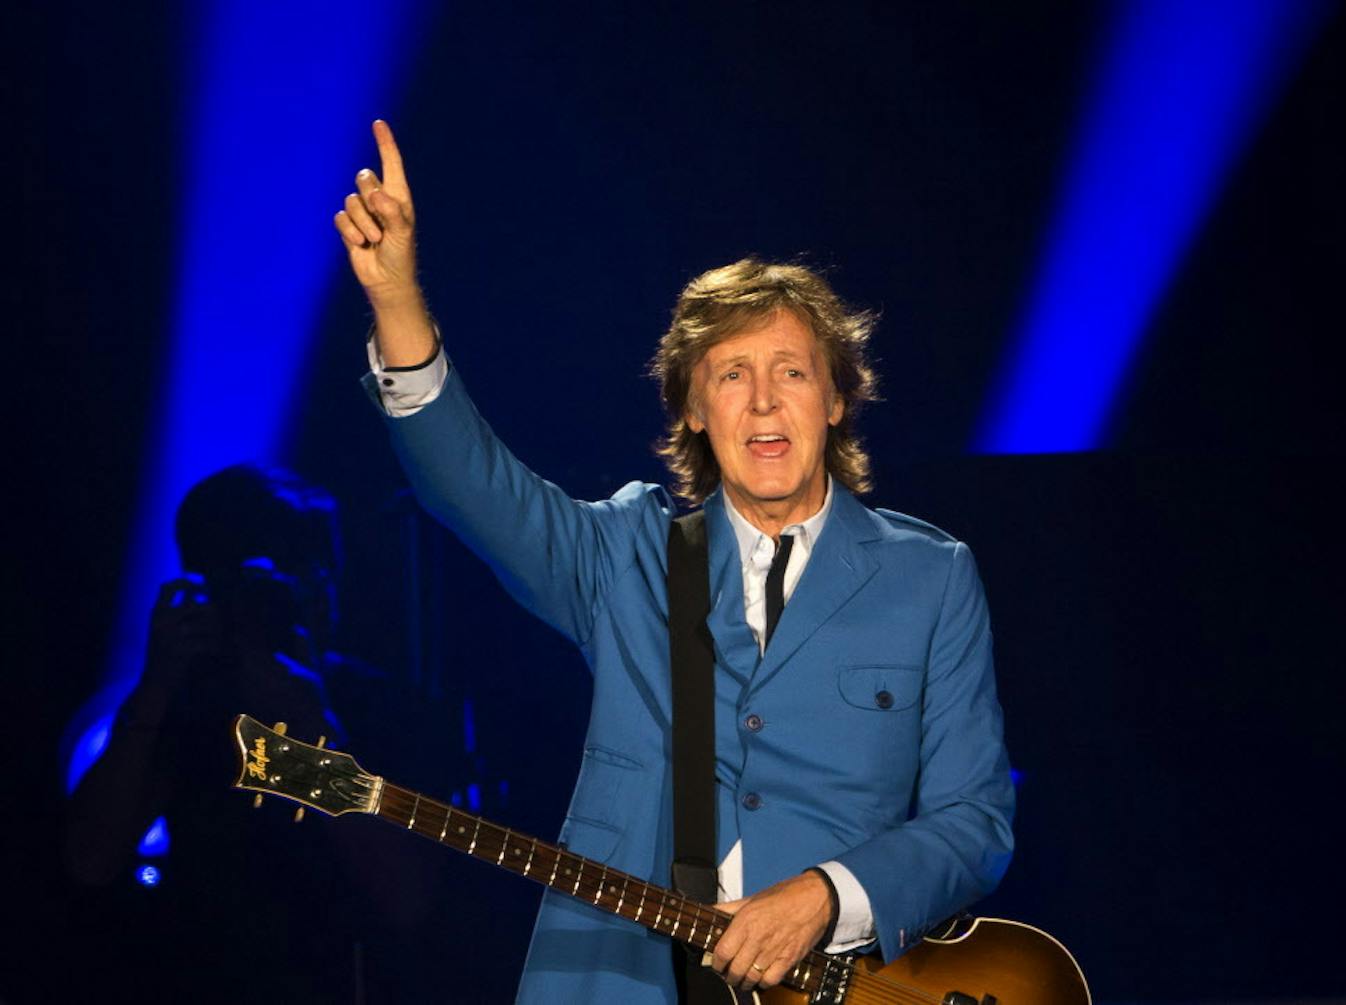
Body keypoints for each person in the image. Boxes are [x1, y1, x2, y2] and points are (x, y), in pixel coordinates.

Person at [335, 119, 1014, 1003]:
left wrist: (826, 897)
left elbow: (976, 823)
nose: (763, 400)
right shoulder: (623, 553)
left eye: (793, 372)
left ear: (839, 398)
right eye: (730, 374)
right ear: (692, 408)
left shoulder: (932, 575)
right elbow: (472, 487)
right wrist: (397, 299)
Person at [65, 464, 447, 1002]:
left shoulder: (380, 706)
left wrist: (311, 730)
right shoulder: (191, 702)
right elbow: (91, 858)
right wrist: (156, 686)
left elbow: (409, 897)